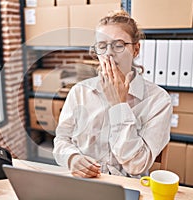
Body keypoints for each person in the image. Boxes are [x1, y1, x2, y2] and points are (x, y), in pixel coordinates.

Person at [52, 9, 172, 178]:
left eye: (118, 45)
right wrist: (72, 158)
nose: (108, 53)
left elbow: (137, 165)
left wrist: (119, 105)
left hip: (126, 187)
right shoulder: (79, 92)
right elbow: (61, 140)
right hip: (84, 183)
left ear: (136, 49)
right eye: (102, 46)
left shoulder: (158, 100)